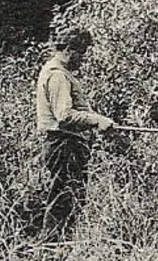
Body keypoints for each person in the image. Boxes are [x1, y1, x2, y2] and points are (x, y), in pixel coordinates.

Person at [33, 27, 115, 241]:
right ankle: (49, 249)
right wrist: (96, 120)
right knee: (63, 201)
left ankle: (58, 248)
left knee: (70, 199)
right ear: (70, 50)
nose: (83, 59)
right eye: (82, 53)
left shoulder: (56, 72)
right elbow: (64, 115)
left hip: (65, 144)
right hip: (63, 145)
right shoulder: (58, 76)